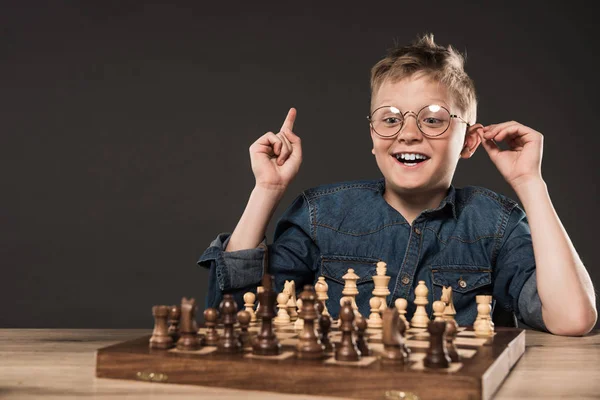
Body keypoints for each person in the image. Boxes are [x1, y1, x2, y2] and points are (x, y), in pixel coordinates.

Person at [198, 34, 597, 335]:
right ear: (372, 136)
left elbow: (572, 319)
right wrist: (265, 191)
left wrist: (530, 182)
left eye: (434, 118)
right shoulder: (320, 215)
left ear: (470, 141)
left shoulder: (495, 223)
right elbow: (236, 315)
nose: (408, 133)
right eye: (390, 118)